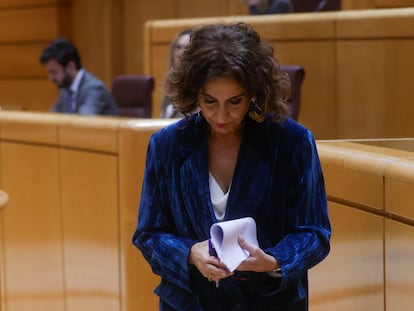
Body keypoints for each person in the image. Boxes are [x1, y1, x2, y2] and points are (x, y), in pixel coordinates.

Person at [132, 22, 331, 311]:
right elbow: (148, 234)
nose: (221, 115)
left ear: (253, 92)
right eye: (209, 101)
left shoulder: (292, 142)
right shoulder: (167, 145)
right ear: (193, 93)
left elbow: (315, 233)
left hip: (269, 303)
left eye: (234, 102)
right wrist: (189, 253)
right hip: (190, 303)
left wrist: (274, 261)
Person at [39, 37, 118, 116]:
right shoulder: (66, 88)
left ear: (70, 67)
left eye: (54, 72)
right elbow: (52, 117)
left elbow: (82, 123)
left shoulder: (95, 89)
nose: (50, 78)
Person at [160, 28, 192, 118]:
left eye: (187, 48)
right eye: (178, 47)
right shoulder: (171, 87)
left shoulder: (199, 89)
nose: (181, 53)